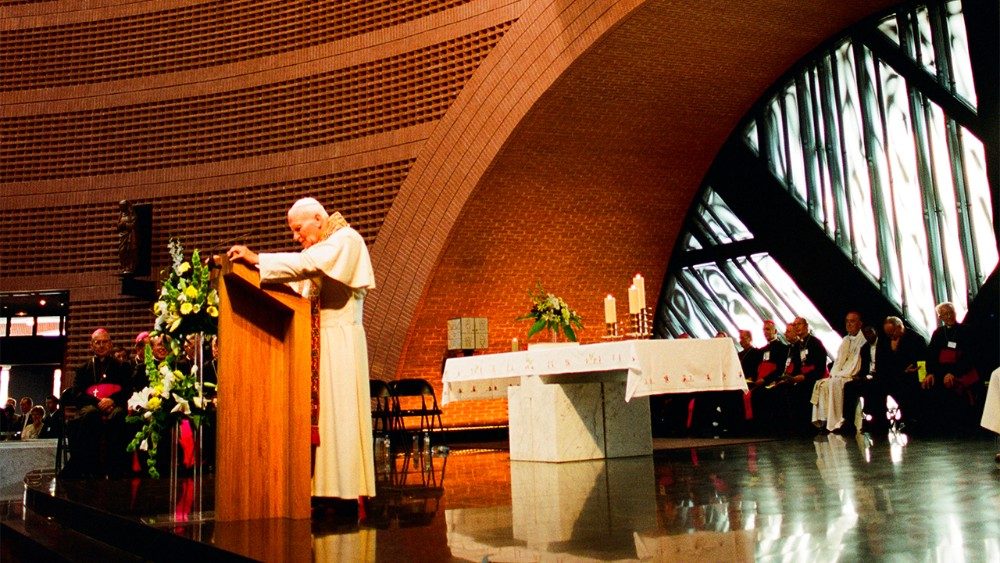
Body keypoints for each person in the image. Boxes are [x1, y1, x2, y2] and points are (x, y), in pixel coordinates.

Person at [228, 197, 376, 516]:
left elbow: (305, 265)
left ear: (318, 220)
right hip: (316, 343)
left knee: (340, 416)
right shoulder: (318, 251)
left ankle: (347, 492)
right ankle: (321, 489)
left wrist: (257, 259)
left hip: (340, 343)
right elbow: (297, 287)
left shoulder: (346, 240)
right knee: (324, 418)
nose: (296, 237)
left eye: (298, 229)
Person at [61, 328, 133, 478]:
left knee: (119, 415)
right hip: (92, 407)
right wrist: (98, 402)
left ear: (110, 344)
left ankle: (116, 467)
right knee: (90, 413)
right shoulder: (82, 369)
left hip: (115, 406)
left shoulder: (122, 367)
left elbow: (128, 390)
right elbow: (77, 394)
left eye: (105, 342)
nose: (101, 345)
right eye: (97, 342)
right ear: (91, 346)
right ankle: (89, 467)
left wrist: (112, 400)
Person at [922, 302, 979, 434]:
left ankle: (962, 424)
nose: (949, 316)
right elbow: (931, 356)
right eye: (945, 314)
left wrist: (953, 373)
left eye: (951, 313)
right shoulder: (938, 333)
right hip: (941, 372)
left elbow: (969, 356)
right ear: (940, 317)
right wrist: (931, 373)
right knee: (929, 386)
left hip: (962, 370)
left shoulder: (966, 330)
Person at [811, 312, 866, 433]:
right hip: (841, 373)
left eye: (852, 321)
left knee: (835, 383)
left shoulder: (863, 339)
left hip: (851, 373)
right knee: (822, 385)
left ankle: (839, 421)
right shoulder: (846, 339)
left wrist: (841, 374)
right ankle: (825, 421)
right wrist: (835, 373)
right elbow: (839, 361)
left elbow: (857, 362)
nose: (849, 324)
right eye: (847, 321)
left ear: (860, 324)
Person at [878, 316, 926, 434]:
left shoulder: (915, 339)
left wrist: (906, 371)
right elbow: (882, 363)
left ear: (899, 327)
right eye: (888, 333)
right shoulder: (885, 340)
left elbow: (920, 361)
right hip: (891, 375)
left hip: (910, 376)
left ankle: (909, 419)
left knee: (906, 387)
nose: (891, 336)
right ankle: (879, 422)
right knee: (876, 387)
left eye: (892, 332)